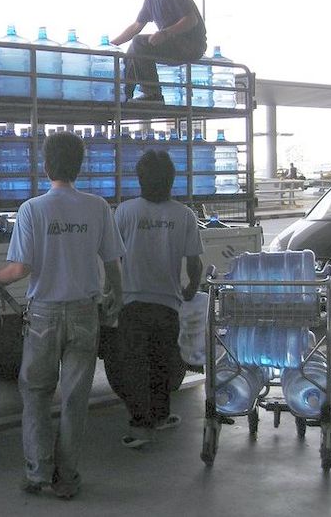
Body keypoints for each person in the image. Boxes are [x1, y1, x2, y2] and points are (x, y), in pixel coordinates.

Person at [0, 132, 124, 499]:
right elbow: (112, 263)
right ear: (80, 165)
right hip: (84, 313)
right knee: (75, 399)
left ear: (45, 166)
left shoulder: (33, 209)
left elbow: (20, 269)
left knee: (37, 394)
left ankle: (38, 472)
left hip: (43, 315)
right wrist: (114, 297)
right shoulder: (97, 207)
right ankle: (67, 479)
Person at [113, 149, 203, 448]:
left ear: (139, 179)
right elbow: (194, 261)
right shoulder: (184, 214)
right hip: (168, 303)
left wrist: (113, 291)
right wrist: (191, 288)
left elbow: (113, 258)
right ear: (171, 180)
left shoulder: (125, 212)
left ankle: (140, 427)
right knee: (163, 363)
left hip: (132, 302)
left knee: (135, 365)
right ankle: (161, 416)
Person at [111, 0, 207, 103]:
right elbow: (136, 26)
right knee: (130, 53)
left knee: (139, 43)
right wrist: (111, 46)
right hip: (173, 44)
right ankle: (124, 95)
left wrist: (165, 33)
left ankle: (153, 94)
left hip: (190, 45)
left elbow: (191, 20)